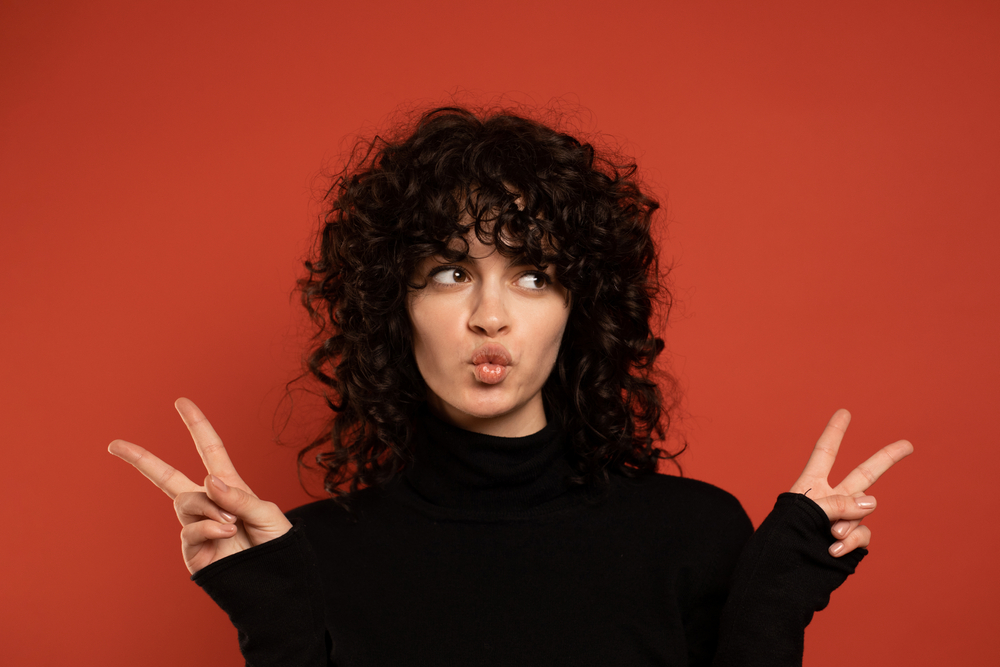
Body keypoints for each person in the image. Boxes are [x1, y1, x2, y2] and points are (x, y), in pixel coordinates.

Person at [108, 106, 913, 666]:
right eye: (451, 272)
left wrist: (770, 603)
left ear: (579, 305)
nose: (490, 315)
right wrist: (275, 613)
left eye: (533, 276)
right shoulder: (313, 553)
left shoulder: (693, 534)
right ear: (397, 304)